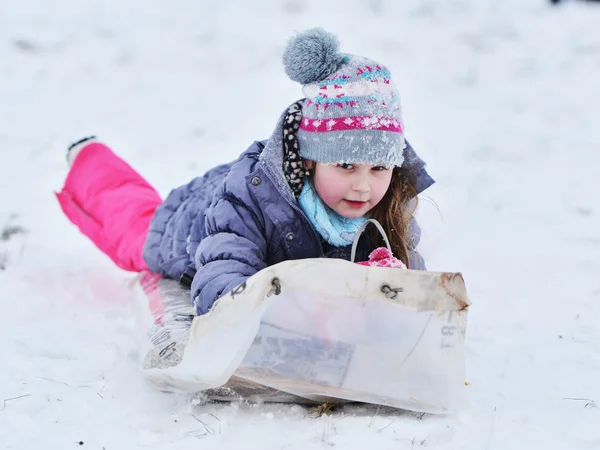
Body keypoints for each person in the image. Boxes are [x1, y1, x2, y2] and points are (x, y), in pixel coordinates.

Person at [56, 28, 435, 316]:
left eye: (379, 167)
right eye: (346, 165)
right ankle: (90, 158)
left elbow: (411, 289)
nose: (363, 186)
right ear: (309, 160)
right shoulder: (251, 205)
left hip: (243, 181)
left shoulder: (389, 211)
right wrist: (244, 314)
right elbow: (225, 268)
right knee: (133, 231)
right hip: (193, 220)